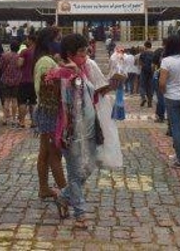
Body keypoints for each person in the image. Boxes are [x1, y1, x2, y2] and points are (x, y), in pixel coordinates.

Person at [53, 34, 103, 230]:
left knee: (89, 167)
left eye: (85, 51)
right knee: (75, 175)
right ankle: (80, 214)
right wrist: (74, 75)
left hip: (89, 130)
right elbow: (69, 105)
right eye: (81, 52)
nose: (85, 55)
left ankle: (63, 196)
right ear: (70, 54)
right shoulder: (62, 74)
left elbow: (91, 96)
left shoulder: (81, 70)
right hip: (72, 133)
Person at [33, 27, 67, 199]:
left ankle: (44, 188)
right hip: (50, 111)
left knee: (45, 153)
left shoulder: (46, 59)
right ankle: (68, 193)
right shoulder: (46, 62)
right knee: (54, 153)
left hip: (46, 110)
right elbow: (49, 89)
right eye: (58, 39)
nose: (60, 43)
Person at [159, 35, 180, 167]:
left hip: (171, 97)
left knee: (176, 127)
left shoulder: (166, 61)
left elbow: (162, 83)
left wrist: (164, 92)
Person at [0, 41, 22, 126]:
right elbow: (21, 67)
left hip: (5, 79)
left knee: (6, 100)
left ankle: (5, 118)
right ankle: (14, 119)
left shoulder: (4, 55)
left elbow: (0, 67)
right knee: (14, 99)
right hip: (16, 80)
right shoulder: (19, 57)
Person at [17, 33, 37, 128]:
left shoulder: (25, 52)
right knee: (33, 102)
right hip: (35, 80)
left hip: (24, 79)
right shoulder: (39, 52)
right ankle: (33, 122)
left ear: (30, 40)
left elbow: (19, 64)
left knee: (22, 102)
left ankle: (22, 122)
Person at [138, 41, 154, 107]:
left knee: (142, 86)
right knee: (149, 87)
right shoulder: (153, 53)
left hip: (144, 71)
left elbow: (140, 62)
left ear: (145, 46)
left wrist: (143, 66)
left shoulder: (143, 53)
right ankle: (150, 102)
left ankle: (143, 98)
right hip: (151, 72)